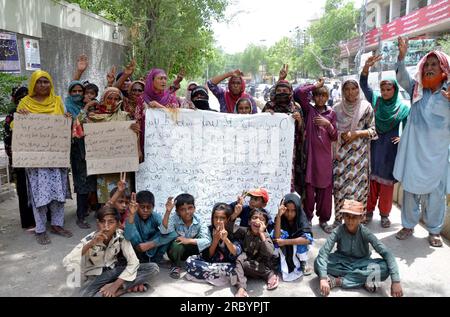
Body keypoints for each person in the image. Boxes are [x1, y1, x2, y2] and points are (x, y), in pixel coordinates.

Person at [393, 37, 450, 247]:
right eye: (427, 64)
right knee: (410, 190)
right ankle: (408, 225)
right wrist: (401, 57)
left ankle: (434, 230)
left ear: (444, 68)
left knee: (436, 195)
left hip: (438, 155)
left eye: (434, 64)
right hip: (415, 153)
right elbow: (401, 78)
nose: (429, 68)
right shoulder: (417, 89)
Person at [16, 70, 73, 245]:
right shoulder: (24, 103)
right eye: (39, 82)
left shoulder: (57, 101)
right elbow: (16, 127)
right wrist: (21, 118)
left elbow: (64, 125)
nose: (43, 85)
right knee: (39, 194)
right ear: (33, 84)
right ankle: (40, 229)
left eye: (46, 82)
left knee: (58, 191)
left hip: (56, 158)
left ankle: (57, 224)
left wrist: (66, 119)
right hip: (35, 160)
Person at [62, 206, 159, 297]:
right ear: (97, 223)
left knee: (153, 268)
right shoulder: (90, 239)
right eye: (102, 222)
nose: (106, 227)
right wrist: (90, 244)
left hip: (114, 270)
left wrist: (114, 286)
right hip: (97, 277)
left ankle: (120, 288)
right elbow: (67, 261)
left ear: (117, 224)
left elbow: (133, 262)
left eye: (111, 222)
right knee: (82, 295)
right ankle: (126, 288)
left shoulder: (120, 237)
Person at [360, 55, 410, 228]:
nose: (386, 93)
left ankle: (384, 215)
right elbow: (364, 87)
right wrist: (366, 68)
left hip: (391, 150)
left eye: (389, 90)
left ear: (394, 90)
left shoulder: (403, 108)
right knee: (372, 182)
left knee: (387, 185)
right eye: (383, 90)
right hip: (375, 147)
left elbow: (408, 125)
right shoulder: (376, 102)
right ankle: (368, 212)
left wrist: (403, 137)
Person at [314, 200, 403, 297]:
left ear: (361, 218)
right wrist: (323, 278)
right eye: (347, 216)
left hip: (362, 263)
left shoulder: (365, 232)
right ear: (343, 216)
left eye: (354, 217)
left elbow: (387, 253)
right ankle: (362, 279)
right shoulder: (338, 231)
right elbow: (324, 253)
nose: (350, 220)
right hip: (341, 262)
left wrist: (396, 281)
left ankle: (339, 281)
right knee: (317, 262)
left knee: (385, 268)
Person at [77, 87, 137, 204]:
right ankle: (106, 214)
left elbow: (132, 135)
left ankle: (123, 216)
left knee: (123, 191)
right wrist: (86, 107)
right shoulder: (94, 116)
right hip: (103, 164)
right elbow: (78, 127)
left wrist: (135, 129)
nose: (112, 101)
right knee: (105, 195)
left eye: (116, 98)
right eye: (109, 98)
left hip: (122, 163)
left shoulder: (125, 116)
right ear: (103, 98)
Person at [332, 80, 377, 228]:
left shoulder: (366, 107)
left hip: (359, 157)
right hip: (341, 156)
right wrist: (341, 134)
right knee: (340, 188)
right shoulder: (336, 108)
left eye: (354, 89)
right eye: (347, 89)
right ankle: (339, 220)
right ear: (342, 91)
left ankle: (358, 221)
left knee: (358, 190)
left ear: (358, 90)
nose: (350, 92)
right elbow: (331, 131)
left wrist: (357, 133)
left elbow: (373, 131)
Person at [294, 78, 338, 233]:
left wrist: (328, 124)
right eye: (317, 95)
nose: (320, 98)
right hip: (310, 157)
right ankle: (307, 221)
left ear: (327, 97)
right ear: (313, 97)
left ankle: (324, 220)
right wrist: (315, 85)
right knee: (309, 192)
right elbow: (298, 92)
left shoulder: (331, 113)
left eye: (323, 95)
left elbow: (334, 136)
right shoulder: (309, 110)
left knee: (325, 191)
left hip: (325, 158)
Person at [263, 76, 305, 196]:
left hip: (291, 153)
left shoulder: (296, 107)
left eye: (285, 91)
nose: (282, 94)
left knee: (289, 180)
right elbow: (260, 130)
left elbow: (303, 132)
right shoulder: (269, 106)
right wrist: (265, 117)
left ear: (290, 92)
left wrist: (299, 121)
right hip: (271, 152)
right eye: (279, 91)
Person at [185, 203, 242, 286]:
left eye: (222, 218)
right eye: (216, 217)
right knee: (189, 261)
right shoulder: (208, 230)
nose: (218, 221)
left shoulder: (235, 230)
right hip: (212, 262)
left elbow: (235, 252)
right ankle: (218, 276)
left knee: (235, 268)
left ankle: (207, 275)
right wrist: (215, 240)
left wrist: (225, 239)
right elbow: (207, 256)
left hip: (228, 264)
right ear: (212, 218)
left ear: (228, 219)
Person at [3, 86, 35, 231]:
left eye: (26, 96)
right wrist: (14, 157)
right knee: (23, 190)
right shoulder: (12, 115)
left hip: (36, 159)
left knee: (36, 188)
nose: (24, 99)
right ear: (15, 99)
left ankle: (39, 218)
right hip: (20, 160)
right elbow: (8, 140)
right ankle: (28, 222)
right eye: (20, 96)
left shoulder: (36, 112)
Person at [66, 80, 96, 229]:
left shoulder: (92, 105)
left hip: (92, 149)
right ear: (69, 93)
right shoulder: (67, 106)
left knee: (91, 182)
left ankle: (86, 211)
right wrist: (85, 108)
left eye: (80, 91)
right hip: (77, 151)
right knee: (81, 183)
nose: (77, 94)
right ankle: (80, 217)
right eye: (74, 91)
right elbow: (75, 124)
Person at [160, 193, 211, 279]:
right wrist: (168, 212)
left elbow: (207, 240)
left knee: (203, 243)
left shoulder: (199, 220)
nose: (187, 212)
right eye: (182, 209)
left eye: (190, 208)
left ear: (194, 208)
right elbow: (163, 231)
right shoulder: (174, 218)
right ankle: (176, 266)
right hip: (178, 251)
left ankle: (196, 262)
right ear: (177, 212)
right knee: (176, 244)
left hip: (193, 251)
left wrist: (189, 240)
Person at [135, 68, 180, 161]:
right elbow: (137, 124)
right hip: (147, 144)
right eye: (160, 78)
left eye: (165, 79)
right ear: (152, 80)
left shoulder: (171, 98)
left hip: (167, 143)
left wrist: (158, 106)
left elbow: (176, 118)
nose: (163, 81)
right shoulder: (142, 99)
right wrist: (138, 149)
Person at [231, 208, 277, 297]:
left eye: (262, 220)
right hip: (248, 260)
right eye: (254, 217)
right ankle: (241, 288)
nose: (257, 221)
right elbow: (231, 229)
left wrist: (261, 234)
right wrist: (235, 214)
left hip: (263, 265)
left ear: (265, 225)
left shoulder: (266, 236)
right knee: (239, 260)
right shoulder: (245, 231)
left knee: (244, 266)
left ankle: (269, 274)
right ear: (249, 222)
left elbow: (269, 252)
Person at [124, 191, 177, 263]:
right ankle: (139, 260)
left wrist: (151, 244)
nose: (145, 210)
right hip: (136, 251)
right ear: (137, 206)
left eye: (148, 207)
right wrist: (131, 214)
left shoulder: (155, 216)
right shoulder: (132, 216)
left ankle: (157, 259)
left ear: (153, 207)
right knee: (132, 230)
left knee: (166, 233)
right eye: (142, 207)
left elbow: (173, 234)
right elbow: (127, 236)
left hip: (152, 250)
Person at [272, 193, 313, 282]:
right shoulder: (280, 217)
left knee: (302, 239)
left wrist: (286, 242)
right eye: (287, 210)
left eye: (293, 210)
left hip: (294, 246)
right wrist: (279, 216)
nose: (290, 214)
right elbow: (277, 237)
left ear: (297, 209)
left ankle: (302, 263)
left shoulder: (301, 218)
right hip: (284, 248)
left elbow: (307, 239)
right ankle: (278, 261)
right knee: (274, 238)